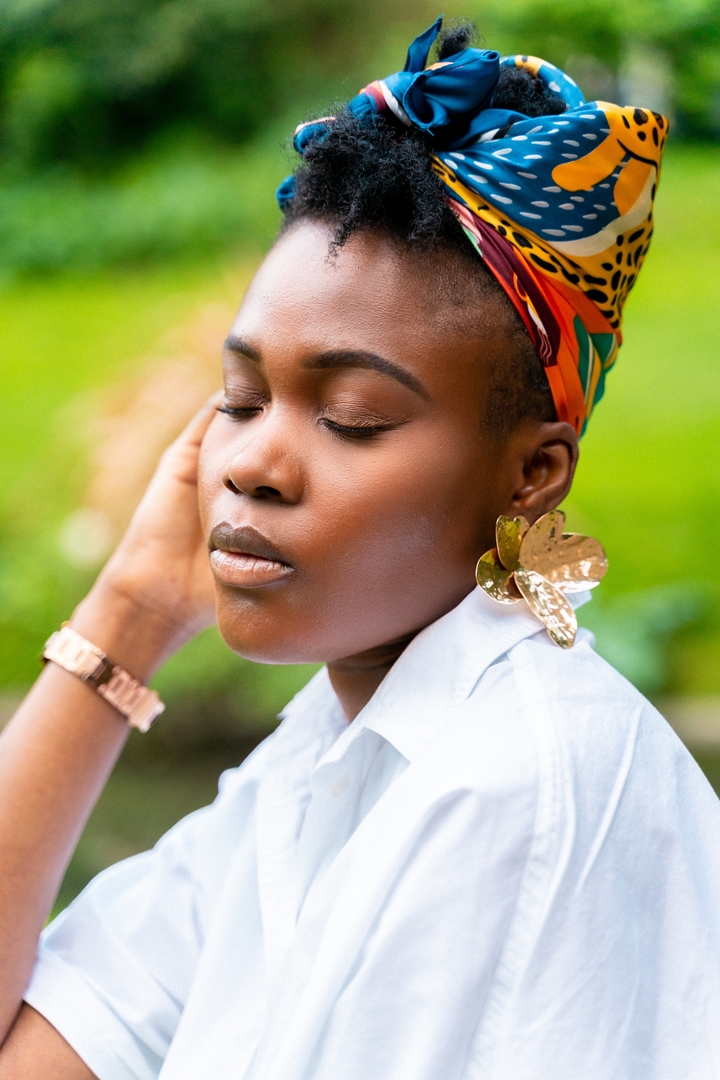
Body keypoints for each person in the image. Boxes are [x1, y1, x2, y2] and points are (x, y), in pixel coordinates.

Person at [1, 18, 719, 1080]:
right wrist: (132, 609)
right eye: (240, 398)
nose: (252, 463)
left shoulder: (511, 790)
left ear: (531, 476)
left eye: (352, 417)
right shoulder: (320, 765)